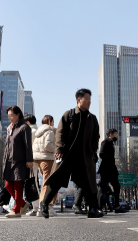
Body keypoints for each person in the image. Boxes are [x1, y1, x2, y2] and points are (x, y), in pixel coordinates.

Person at [39, 88, 103, 219]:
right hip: (67, 156)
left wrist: (92, 150)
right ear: (79, 100)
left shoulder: (92, 118)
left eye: (90, 99)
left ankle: (93, 209)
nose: (89, 101)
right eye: (87, 99)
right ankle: (44, 204)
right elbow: (60, 133)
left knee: (88, 183)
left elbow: (96, 137)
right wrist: (59, 149)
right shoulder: (69, 114)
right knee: (57, 181)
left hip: (84, 157)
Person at [2, 106, 34, 218]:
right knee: (7, 184)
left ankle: (16, 210)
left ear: (18, 114)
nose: (10, 117)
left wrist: (29, 160)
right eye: (9, 115)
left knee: (18, 185)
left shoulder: (24, 127)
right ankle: (22, 203)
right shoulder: (10, 128)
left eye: (12, 115)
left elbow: (28, 145)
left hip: (20, 160)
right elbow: (7, 145)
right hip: (9, 160)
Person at [33, 115, 57, 216]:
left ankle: (48, 206)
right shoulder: (50, 131)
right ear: (50, 122)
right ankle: (43, 206)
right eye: (53, 121)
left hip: (39, 159)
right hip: (48, 159)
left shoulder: (38, 132)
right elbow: (48, 145)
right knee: (48, 183)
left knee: (47, 181)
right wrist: (56, 149)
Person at [98, 128, 125, 213]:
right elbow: (101, 153)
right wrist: (108, 161)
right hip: (106, 169)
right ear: (111, 134)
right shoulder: (105, 142)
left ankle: (117, 206)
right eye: (116, 134)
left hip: (112, 170)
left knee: (117, 186)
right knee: (102, 188)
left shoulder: (111, 143)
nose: (117, 135)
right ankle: (98, 207)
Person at [24, 114, 40, 216]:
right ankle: (36, 206)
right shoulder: (37, 131)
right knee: (34, 183)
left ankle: (36, 207)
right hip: (36, 160)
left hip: (30, 161)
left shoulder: (29, 132)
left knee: (32, 184)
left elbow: (27, 147)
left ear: (28, 122)